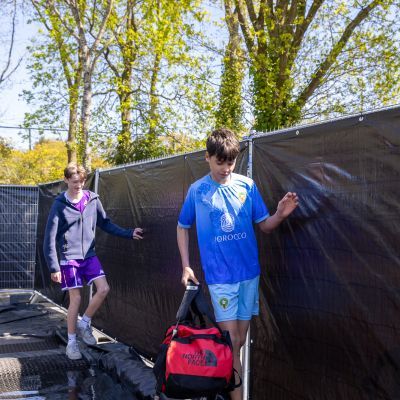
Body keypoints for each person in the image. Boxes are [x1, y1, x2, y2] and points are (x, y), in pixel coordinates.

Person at [177, 128, 298, 400]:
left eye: (230, 161)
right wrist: (186, 265)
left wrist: (280, 214)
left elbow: (265, 225)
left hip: (249, 275)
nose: (226, 168)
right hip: (219, 278)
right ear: (207, 157)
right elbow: (182, 226)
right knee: (230, 342)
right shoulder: (197, 191)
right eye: (220, 161)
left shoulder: (247, 186)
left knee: (238, 342)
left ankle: (224, 388)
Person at [43, 162, 143, 360]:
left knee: (104, 289)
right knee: (76, 299)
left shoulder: (92, 199)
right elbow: (49, 238)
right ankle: (72, 343)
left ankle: (84, 323)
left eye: (81, 181)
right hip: (69, 258)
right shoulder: (59, 204)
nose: (78, 185)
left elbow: (105, 223)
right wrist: (54, 267)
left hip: (89, 255)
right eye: (74, 182)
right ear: (66, 180)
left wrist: (129, 233)